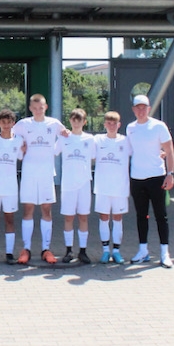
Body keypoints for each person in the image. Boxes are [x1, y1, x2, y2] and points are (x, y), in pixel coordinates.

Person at [12, 94, 65, 265]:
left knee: (46, 210)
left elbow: (67, 137)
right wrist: (19, 148)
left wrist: (55, 151)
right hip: (29, 172)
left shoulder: (54, 124)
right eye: (34, 108)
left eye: (40, 108)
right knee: (28, 209)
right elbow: (10, 138)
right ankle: (26, 248)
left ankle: (45, 249)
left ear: (45, 107)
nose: (37, 110)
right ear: (30, 108)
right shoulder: (23, 124)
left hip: (47, 173)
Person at [126, 94, 174, 268]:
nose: (141, 111)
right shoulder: (130, 128)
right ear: (133, 110)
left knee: (161, 215)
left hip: (157, 177)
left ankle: (164, 253)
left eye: (144, 107)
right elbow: (130, 151)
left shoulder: (159, 126)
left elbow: (169, 151)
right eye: (137, 108)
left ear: (149, 109)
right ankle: (143, 251)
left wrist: (170, 174)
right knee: (141, 216)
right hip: (137, 178)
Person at [57, 108, 96, 264]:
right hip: (68, 184)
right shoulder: (64, 138)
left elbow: (95, 157)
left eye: (79, 119)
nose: (76, 122)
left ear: (84, 122)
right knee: (68, 217)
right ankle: (69, 250)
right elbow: (51, 151)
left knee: (83, 217)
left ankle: (83, 251)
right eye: (74, 119)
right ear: (70, 121)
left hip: (84, 183)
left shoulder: (90, 139)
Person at [0, 108, 23, 265]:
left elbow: (21, 156)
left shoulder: (19, 141)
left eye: (9, 122)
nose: (6, 125)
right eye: (3, 122)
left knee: (10, 220)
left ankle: (9, 253)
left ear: (13, 123)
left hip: (10, 187)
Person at [93, 111, 130, 264]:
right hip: (102, 187)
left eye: (114, 123)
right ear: (105, 125)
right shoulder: (97, 140)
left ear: (119, 125)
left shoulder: (126, 141)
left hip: (120, 188)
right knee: (104, 218)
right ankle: (105, 251)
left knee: (117, 219)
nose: (112, 126)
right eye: (109, 123)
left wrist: (159, 152)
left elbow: (141, 151)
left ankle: (116, 251)